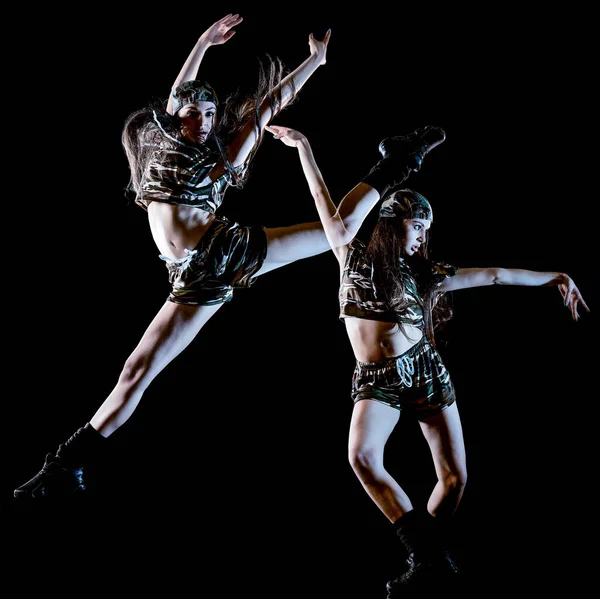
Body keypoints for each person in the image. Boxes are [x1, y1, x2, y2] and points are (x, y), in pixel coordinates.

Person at [13, 13, 337, 500]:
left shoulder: (221, 159)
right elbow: (178, 90)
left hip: (224, 250)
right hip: (189, 277)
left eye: (209, 114)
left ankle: (387, 182)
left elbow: (270, 104)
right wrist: (204, 42)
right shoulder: (164, 146)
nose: (203, 122)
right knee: (135, 372)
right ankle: (65, 464)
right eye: (194, 114)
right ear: (178, 116)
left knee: (335, 233)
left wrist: (314, 61)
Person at [264, 123, 591, 596]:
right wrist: (304, 148)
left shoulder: (426, 274)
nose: (423, 237)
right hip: (377, 379)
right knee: (362, 456)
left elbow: (495, 276)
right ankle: (428, 556)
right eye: (418, 227)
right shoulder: (350, 254)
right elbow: (323, 200)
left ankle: (424, 563)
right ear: (395, 221)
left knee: (455, 479)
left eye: (427, 229)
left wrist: (553, 277)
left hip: (425, 371)